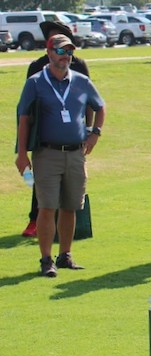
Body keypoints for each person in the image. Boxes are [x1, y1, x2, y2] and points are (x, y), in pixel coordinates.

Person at [15, 35, 106, 277]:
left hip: (76, 153)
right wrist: (22, 154)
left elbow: (100, 107)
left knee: (70, 206)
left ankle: (65, 255)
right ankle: (46, 260)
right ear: (49, 53)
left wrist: (95, 133)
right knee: (47, 207)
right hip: (47, 153)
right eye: (61, 51)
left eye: (69, 52)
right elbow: (23, 119)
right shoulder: (35, 83)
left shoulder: (81, 81)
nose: (66, 56)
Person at [20, 21, 91, 238]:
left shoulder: (79, 66)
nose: (63, 53)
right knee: (43, 188)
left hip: (73, 139)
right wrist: (23, 148)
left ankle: (66, 245)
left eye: (65, 46)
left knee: (71, 192)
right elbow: (26, 111)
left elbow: (90, 102)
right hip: (44, 135)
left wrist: (89, 130)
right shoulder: (36, 68)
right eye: (54, 42)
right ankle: (34, 219)